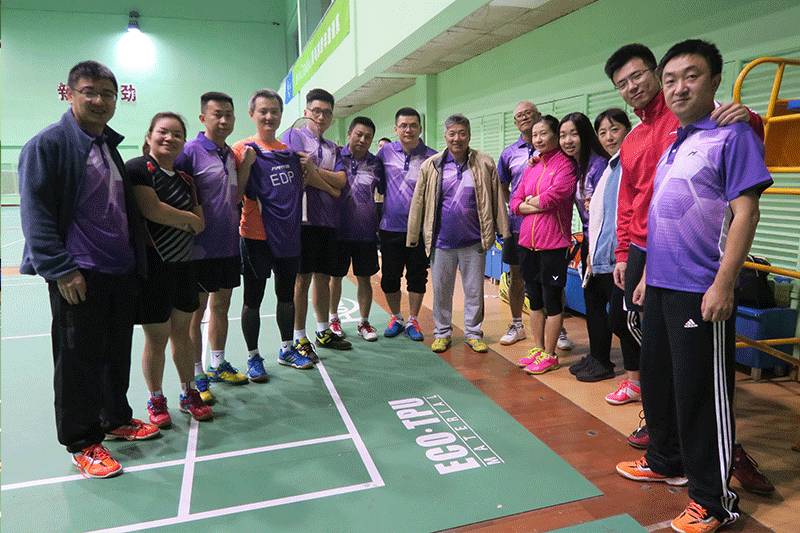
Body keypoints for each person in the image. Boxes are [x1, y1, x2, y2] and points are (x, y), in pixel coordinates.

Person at [615, 40, 773, 533]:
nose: (679, 87)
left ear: (714, 81)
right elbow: (661, 216)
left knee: (701, 395)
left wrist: (724, 283)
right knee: (660, 382)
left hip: (700, 288)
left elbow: (746, 213)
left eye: (691, 76)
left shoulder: (733, 134)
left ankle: (714, 500)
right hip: (662, 284)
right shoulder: (676, 143)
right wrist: (647, 276)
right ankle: (665, 459)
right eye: (672, 80)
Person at [18, 60, 159, 478]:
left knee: (115, 353)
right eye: (89, 92)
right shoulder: (48, 145)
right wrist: (61, 269)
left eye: (107, 94)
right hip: (79, 272)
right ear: (70, 94)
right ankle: (81, 441)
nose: (99, 100)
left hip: (118, 270)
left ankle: (114, 418)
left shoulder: (106, 145)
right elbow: (36, 214)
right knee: (77, 360)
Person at [128, 112, 213, 429]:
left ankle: (188, 393)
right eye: (163, 132)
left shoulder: (186, 180)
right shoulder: (138, 169)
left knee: (183, 332)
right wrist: (186, 219)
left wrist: (188, 221)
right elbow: (152, 210)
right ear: (149, 135)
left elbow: (201, 223)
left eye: (177, 134)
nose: (170, 138)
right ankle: (156, 398)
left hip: (183, 266)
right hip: (153, 268)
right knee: (157, 337)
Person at [408, 114, 509, 353]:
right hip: (441, 241)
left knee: (474, 291)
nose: (457, 138)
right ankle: (442, 333)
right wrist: (413, 235)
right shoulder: (431, 165)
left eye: (462, 133)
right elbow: (418, 201)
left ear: (469, 136)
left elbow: (496, 198)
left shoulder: (484, 163)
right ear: (445, 136)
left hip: (474, 242)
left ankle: (473, 333)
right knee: (441, 291)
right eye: (452, 133)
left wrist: (503, 230)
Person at [178, 92, 248, 405]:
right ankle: (196, 374)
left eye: (228, 115)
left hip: (228, 244)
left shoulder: (230, 154)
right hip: (198, 249)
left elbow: (235, 197)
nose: (223, 120)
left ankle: (217, 363)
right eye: (217, 114)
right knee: (196, 314)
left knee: (222, 306)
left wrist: (246, 167)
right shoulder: (189, 152)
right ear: (203, 118)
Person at [234, 89, 313, 371]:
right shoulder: (242, 149)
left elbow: (296, 191)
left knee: (286, 296)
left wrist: (306, 169)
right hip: (255, 236)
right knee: (252, 299)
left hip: (288, 236)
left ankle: (287, 350)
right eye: (263, 111)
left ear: (281, 115)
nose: (269, 116)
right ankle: (253, 357)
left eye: (274, 112)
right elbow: (235, 193)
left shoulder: (290, 154)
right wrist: (247, 165)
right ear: (252, 114)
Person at [570, 108, 644, 385]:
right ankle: (608, 364)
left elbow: (626, 215)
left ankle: (639, 378)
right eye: (603, 132)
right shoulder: (612, 167)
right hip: (601, 252)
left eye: (615, 129)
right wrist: (592, 252)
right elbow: (601, 216)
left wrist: (621, 254)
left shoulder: (624, 165)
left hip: (623, 255)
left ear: (628, 129)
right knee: (609, 315)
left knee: (623, 321)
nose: (609, 137)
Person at [281, 88, 352, 357]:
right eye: (316, 111)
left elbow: (341, 181)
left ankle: (323, 331)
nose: (321, 117)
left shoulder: (333, 148)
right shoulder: (294, 136)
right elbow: (303, 176)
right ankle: (300, 336)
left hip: (327, 222)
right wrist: (330, 187)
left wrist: (318, 175)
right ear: (306, 112)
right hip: (302, 222)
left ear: (332, 117)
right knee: (302, 280)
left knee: (323, 278)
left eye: (327, 113)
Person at [511, 115, 577, 374]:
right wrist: (529, 203)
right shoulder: (533, 166)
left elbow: (554, 197)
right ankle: (538, 349)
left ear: (556, 136)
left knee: (552, 301)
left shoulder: (566, 165)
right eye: (535, 135)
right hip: (527, 243)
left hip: (553, 245)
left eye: (543, 133)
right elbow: (514, 202)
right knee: (535, 300)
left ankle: (550, 354)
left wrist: (529, 203)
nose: (538, 139)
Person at [557, 112, 611, 380]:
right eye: (563, 135)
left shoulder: (599, 165)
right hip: (590, 239)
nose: (567, 140)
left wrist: (596, 250)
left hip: (606, 242)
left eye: (573, 134)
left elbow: (606, 211)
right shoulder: (577, 165)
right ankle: (598, 356)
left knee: (608, 304)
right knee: (593, 301)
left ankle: (611, 364)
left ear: (585, 135)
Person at [377, 108, 437, 341]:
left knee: (417, 277)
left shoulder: (432, 157)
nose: (408, 130)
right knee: (389, 278)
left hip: (419, 231)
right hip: (390, 227)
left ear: (420, 128)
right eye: (403, 125)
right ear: (396, 129)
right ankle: (396, 317)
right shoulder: (385, 153)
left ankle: (413, 319)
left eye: (413, 125)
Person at [328, 117, 385, 341]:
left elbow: (385, 191)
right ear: (349, 133)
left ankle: (364, 322)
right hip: (337, 230)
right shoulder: (335, 157)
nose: (362, 139)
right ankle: (333, 319)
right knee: (335, 277)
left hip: (365, 232)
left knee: (364, 278)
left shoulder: (376, 163)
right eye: (358, 134)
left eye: (367, 137)